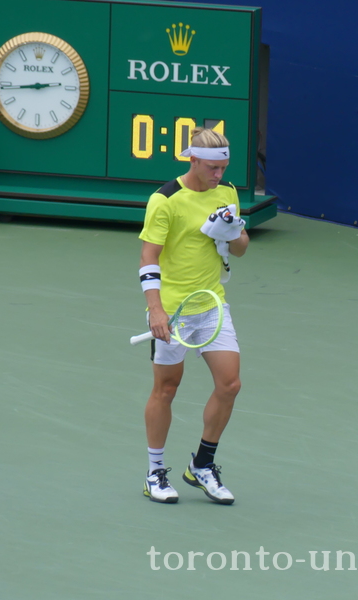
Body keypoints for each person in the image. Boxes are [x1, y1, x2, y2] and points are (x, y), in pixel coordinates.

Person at [137, 127, 249, 504]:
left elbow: (242, 250)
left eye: (224, 167)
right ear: (193, 160)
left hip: (212, 307)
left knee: (230, 385)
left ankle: (202, 465)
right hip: (172, 312)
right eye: (212, 167)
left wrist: (232, 230)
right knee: (166, 389)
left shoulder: (228, 192)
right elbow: (148, 257)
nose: (219, 174)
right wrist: (156, 310)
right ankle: (154, 473)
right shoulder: (165, 200)